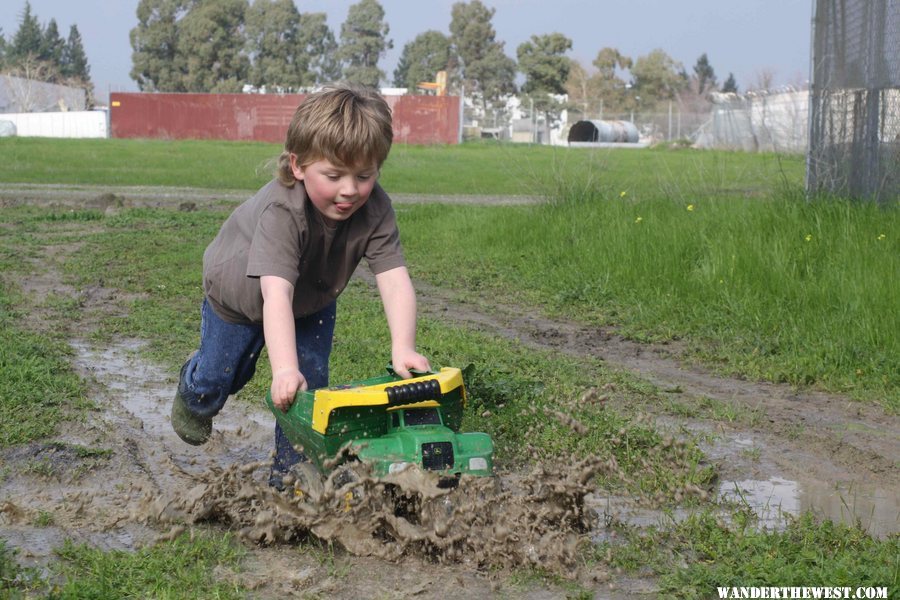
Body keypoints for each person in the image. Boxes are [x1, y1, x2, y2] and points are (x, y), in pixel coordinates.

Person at [170, 83, 430, 487]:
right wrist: (283, 367)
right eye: (334, 175)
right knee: (222, 379)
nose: (350, 189)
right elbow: (276, 294)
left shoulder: (376, 208)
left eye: (364, 175)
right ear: (298, 166)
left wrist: (404, 346)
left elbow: (395, 280)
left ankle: (290, 478)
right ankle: (194, 389)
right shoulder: (282, 210)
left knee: (306, 390)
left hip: (310, 301)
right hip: (239, 298)